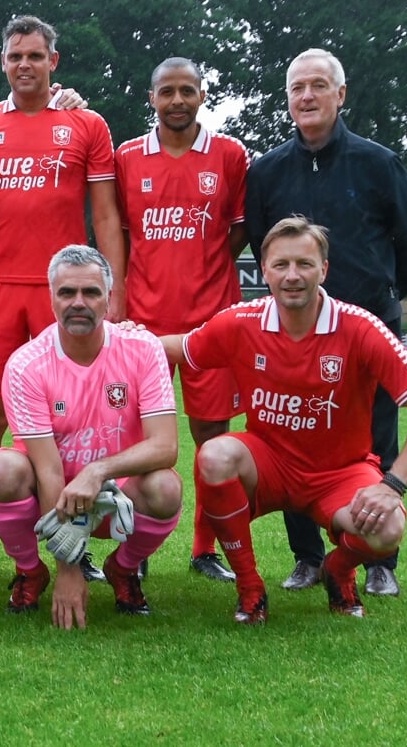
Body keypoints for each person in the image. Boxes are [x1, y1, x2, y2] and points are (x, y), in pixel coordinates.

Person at [167, 216, 407, 624]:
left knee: (387, 529)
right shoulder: (242, 321)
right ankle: (249, 587)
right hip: (270, 464)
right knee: (214, 456)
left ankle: (337, 568)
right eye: (281, 265)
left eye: (304, 264)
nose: (293, 276)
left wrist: (392, 487)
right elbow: (179, 347)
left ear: (324, 269)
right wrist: (118, 338)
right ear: (263, 270)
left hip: (339, 472)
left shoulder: (360, 327)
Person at [244, 48, 407, 598]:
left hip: (368, 324)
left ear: (340, 95)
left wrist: (385, 293)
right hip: (294, 332)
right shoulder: (268, 171)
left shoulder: (378, 162)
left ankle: (378, 560)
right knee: (291, 437)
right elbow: (263, 243)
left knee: (377, 437)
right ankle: (307, 557)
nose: (307, 96)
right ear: (288, 99)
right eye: (298, 87)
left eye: (319, 86)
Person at [0, 15, 123, 578]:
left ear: (54, 61)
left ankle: (76, 539)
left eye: (35, 55)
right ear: (3, 63)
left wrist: (111, 290)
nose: (25, 64)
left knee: (76, 420)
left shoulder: (87, 124)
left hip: (64, 291)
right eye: (15, 56)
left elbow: (104, 214)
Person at [0, 246, 181, 629]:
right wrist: (67, 569)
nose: (78, 302)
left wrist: (97, 471)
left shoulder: (144, 349)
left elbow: (166, 446)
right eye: (66, 293)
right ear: (51, 299)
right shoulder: (26, 364)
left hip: (115, 494)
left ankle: (123, 569)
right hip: (50, 489)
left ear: (109, 299)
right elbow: (48, 469)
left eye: (90, 292)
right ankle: (31, 571)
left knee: (165, 488)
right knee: (2, 468)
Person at [114, 57, 250, 582]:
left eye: (187, 91)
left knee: (212, 437)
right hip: (145, 322)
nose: (177, 100)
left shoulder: (230, 154)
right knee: (139, 437)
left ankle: (204, 547)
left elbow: (234, 232)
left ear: (201, 95)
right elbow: (120, 235)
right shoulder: (128, 156)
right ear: (151, 98)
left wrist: (206, 263)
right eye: (167, 91)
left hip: (213, 319)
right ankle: (139, 543)